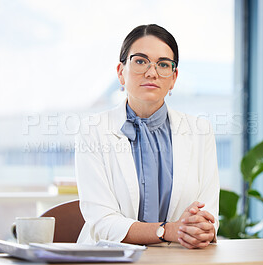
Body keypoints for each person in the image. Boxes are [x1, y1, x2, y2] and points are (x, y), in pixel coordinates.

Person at [75, 24, 219, 249]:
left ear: (173, 78)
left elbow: (208, 211)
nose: (152, 72)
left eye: (163, 64)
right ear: (121, 72)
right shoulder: (92, 131)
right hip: (109, 260)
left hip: (180, 260)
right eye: (140, 61)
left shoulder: (201, 131)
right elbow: (102, 222)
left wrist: (202, 228)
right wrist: (167, 230)